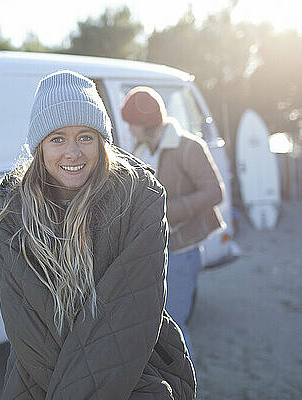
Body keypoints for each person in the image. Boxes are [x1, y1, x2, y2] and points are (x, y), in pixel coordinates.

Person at [0, 71, 196, 400]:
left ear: (101, 140)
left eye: (85, 136)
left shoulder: (139, 200)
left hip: (132, 376)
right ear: (39, 145)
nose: (73, 152)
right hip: (37, 384)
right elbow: (29, 334)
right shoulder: (11, 218)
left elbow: (131, 317)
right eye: (57, 138)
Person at [120, 86, 226, 357]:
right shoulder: (141, 148)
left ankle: (184, 387)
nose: (129, 129)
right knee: (153, 325)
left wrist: (168, 209)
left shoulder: (189, 147)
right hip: (151, 249)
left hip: (181, 251)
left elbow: (215, 192)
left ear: (145, 124)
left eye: (132, 123)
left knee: (175, 327)